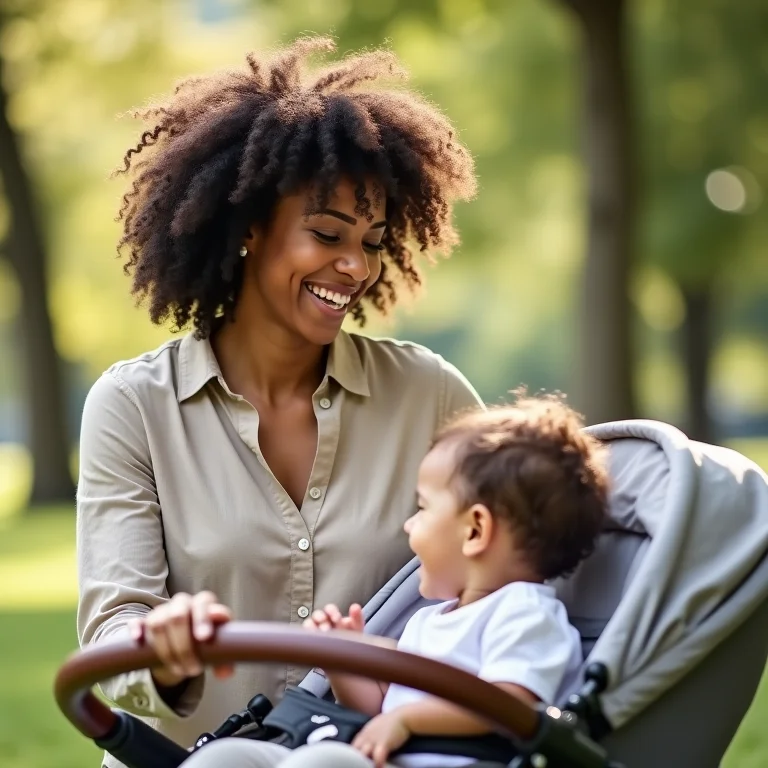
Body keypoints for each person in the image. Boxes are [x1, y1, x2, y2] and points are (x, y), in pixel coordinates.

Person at [75, 36, 480, 766]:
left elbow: (502, 581)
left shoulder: (431, 398)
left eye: (373, 240)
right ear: (249, 228)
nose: (354, 266)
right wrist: (162, 660)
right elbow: (112, 653)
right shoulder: (133, 407)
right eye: (326, 233)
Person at [180, 391, 610, 768]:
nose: (409, 525)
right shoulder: (433, 620)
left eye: (423, 508)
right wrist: (343, 662)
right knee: (226, 757)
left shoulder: (526, 614)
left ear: (475, 530)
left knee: (325, 762)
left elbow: (512, 704)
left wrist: (404, 720)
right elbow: (377, 706)